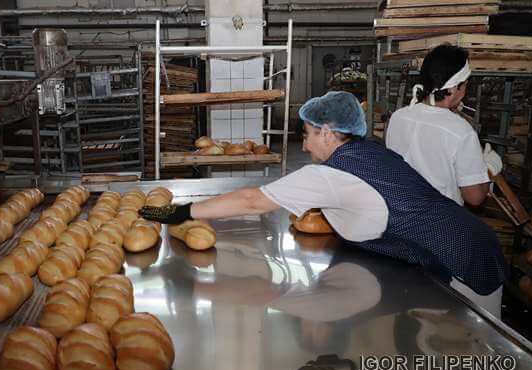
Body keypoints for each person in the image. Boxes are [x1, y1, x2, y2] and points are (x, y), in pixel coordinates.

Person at [140, 91, 508, 318]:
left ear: (328, 132)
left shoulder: (330, 175)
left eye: (308, 135)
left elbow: (253, 202)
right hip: (463, 245)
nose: (304, 145)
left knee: (473, 368)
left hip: (464, 264)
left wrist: (179, 215)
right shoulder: (368, 152)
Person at [386, 44, 502, 207]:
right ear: (455, 87)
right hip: (437, 223)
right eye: (465, 84)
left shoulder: (399, 117)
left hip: (399, 213)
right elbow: (474, 197)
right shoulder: (461, 131)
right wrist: (488, 169)